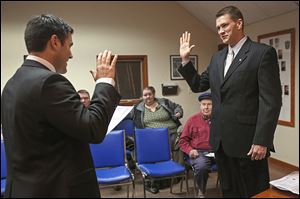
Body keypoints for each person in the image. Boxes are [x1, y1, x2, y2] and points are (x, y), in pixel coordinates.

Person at [1, 14, 121, 198]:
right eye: (70, 45)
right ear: (55, 42)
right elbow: (93, 129)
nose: (71, 54)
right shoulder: (49, 82)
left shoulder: (12, 83)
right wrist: (105, 82)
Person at [178, 6, 282, 198]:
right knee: (229, 192)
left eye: (225, 25)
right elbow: (198, 85)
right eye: (218, 28)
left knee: (254, 193)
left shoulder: (262, 53)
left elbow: (271, 102)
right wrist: (185, 61)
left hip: (249, 144)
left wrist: (262, 140)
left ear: (239, 23)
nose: (220, 31)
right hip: (220, 143)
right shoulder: (217, 58)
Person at [127, 86, 183, 194]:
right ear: (142, 97)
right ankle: (154, 180)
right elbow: (124, 115)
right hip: (151, 136)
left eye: (150, 94)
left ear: (154, 94)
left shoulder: (164, 102)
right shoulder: (137, 108)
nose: (148, 97)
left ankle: (175, 176)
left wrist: (178, 113)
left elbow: (178, 107)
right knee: (146, 148)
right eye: (145, 95)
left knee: (178, 143)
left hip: (171, 131)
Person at [179, 92, 213, 197]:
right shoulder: (192, 120)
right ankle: (201, 191)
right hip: (199, 153)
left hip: (216, 151)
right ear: (200, 105)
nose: (206, 107)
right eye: (203, 104)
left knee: (233, 162)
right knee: (202, 166)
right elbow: (182, 141)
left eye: (209, 104)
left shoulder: (219, 119)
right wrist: (190, 150)